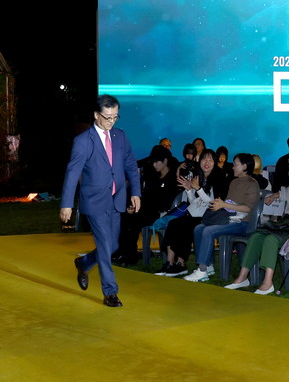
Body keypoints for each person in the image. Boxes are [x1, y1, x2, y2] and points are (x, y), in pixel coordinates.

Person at [60, 94, 141, 308]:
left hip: (116, 199)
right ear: (96, 115)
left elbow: (131, 165)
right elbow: (72, 172)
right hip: (94, 201)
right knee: (105, 245)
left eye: (115, 117)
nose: (111, 121)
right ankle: (110, 292)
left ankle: (84, 262)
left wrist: (136, 192)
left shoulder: (120, 136)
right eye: (107, 117)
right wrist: (67, 204)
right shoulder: (83, 141)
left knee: (112, 245)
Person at [225, 150, 289, 294]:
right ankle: (242, 277)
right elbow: (285, 192)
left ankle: (268, 282)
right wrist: (275, 195)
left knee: (271, 239)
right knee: (256, 236)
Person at [184, 153, 261, 282]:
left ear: (244, 166)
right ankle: (207, 265)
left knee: (208, 231)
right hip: (230, 219)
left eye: (235, 164)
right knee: (199, 228)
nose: (233, 167)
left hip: (243, 223)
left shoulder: (252, 184)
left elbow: (248, 209)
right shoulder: (234, 182)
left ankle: (202, 271)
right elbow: (228, 203)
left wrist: (224, 204)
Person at [155, 148, 227, 276]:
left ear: (215, 162)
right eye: (204, 159)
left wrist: (198, 189)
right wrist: (189, 190)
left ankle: (181, 263)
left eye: (210, 160)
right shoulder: (199, 177)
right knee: (173, 223)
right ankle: (170, 263)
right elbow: (195, 202)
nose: (206, 162)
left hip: (210, 217)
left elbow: (212, 203)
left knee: (187, 226)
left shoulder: (219, 179)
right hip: (195, 215)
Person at [115, 144, 180, 265]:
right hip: (148, 210)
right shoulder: (154, 177)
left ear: (165, 161)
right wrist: (134, 207)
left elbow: (165, 202)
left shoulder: (172, 179)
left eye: (156, 162)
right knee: (124, 217)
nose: (154, 165)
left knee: (133, 221)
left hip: (161, 213)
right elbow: (147, 197)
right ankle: (122, 252)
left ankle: (129, 255)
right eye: (153, 162)